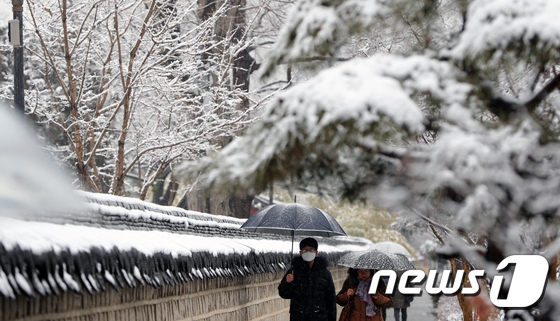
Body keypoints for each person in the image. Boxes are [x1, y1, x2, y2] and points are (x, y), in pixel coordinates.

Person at [278, 237, 337, 321]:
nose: (308, 252)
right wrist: (287, 283)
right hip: (299, 316)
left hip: (319, 317)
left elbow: (330, 300)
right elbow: (284, 294)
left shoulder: (324, 273)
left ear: (316, 252)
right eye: (305, 250)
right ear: (300, 253)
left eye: (311, 250)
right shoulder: (294, 271)